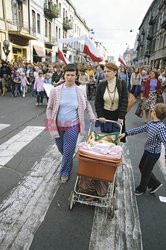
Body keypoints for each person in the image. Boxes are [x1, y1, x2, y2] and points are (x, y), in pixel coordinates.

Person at [46, 63, 96, 183]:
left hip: (72, 126)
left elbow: (87, 104)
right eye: (67, 75)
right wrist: (50, 124)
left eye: (72, 75)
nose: (70, 77)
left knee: (68, 151)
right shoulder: (56, 91)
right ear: (64, 75)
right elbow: (49, 108)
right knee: (62, 150)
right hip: (57, 126)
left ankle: (64, 172)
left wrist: (92, 116)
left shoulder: (80, 91)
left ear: (76, 76)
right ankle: (68, 161)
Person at [120, 103, 166, 196]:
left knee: (146, 170)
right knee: (142, 167)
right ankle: (155, 184)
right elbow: (139, 129)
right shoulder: (151, 124)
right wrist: (126, 133)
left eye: (152, 110)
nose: (151, 111)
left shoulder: (161, 127)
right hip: (147, 150)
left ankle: (142, 188)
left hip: (153, 154)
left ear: (154, 113)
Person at [95, 62, 128, 142]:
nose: (106, 73)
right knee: (105, 139)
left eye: (108, 71)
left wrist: (121, 116)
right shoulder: (101, 85)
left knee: (117, 139)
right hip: (105, 116)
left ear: (115, 72)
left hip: (118, 115)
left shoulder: (122, 83)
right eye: (105, 71)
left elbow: (124, 101)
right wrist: (100, 115)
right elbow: (98, 102)